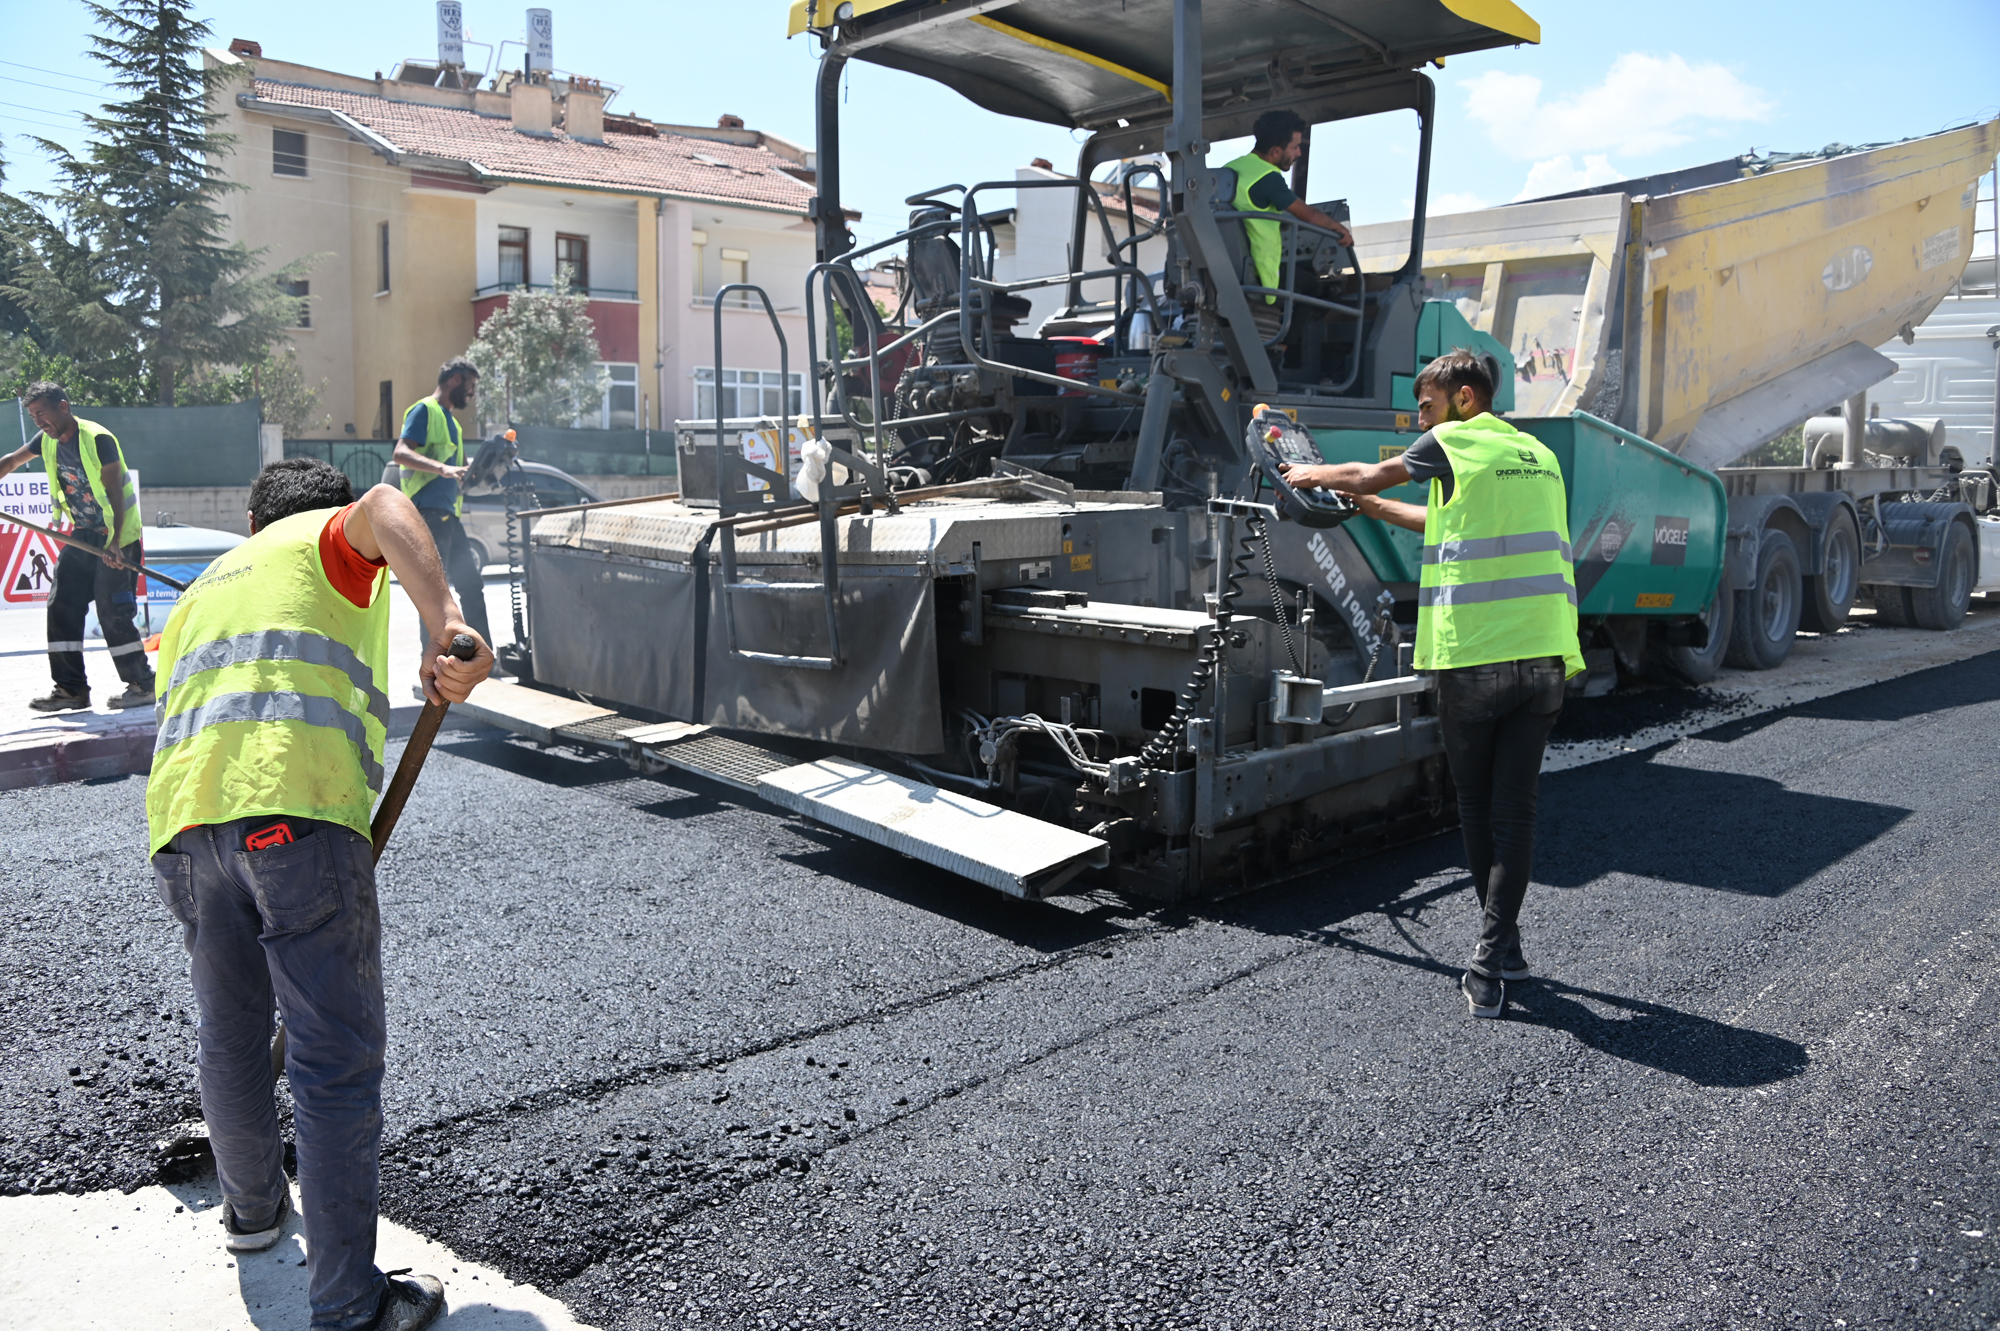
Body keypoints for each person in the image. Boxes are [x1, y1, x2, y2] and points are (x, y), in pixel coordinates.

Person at [146, 458, 493, 1331]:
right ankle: (347, 1303)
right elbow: (385, 503)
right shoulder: (325, 537)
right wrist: (446, 621)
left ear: (251, 516)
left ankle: (252, 1213)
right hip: (295, 813)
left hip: (185, 826)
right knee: (331, 1060)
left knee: (228, 1035)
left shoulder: (203, 587)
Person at [1280, 349, 1584, 1018]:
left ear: (1465, 398)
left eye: (1427, 405)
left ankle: (1488, 961)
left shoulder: (1454, 439)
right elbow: (1445, 522)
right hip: (1546, 660)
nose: (1421, 419)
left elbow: (1368, 468)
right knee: (1520, 811)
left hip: (1474, 658)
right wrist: (1372, 506)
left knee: (1478, 809)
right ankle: (1504, 948)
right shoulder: (1536, 456)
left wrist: (1311, 472)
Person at [0, 381, 156, 711]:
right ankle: (71, 689)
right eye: (33, 416)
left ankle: (143, 684)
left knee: (112, 610)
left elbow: (114, 492)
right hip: (83, 534)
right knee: (61, 604)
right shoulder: (46, 441)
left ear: (63, 406)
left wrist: (114, 543)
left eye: (42, 413)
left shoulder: (97, 439)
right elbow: (12, 461)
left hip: (119, 537)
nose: (39, 422)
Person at [1221, 108, 1355, 338]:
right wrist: (1338, 228)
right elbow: (1308, 215)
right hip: (1260, 272)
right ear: (1276, 151)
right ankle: (1282, 348)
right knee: (1311, 286)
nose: (1299, 153)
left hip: (1226, 268)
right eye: (1295, 147)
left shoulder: (1230, 169)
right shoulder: (1268, 178)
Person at [392, 357, 491, 661]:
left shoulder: (454, 424)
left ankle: (483, 660)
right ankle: (434, 665)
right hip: (429, 516)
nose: (472, 394)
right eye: (471, 386)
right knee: (435, 597)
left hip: (450, 517)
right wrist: (443, 469)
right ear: (456, 380)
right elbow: (401, 452)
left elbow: (452, 469)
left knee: (472, 586)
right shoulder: (425, 410)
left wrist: (467, 470)